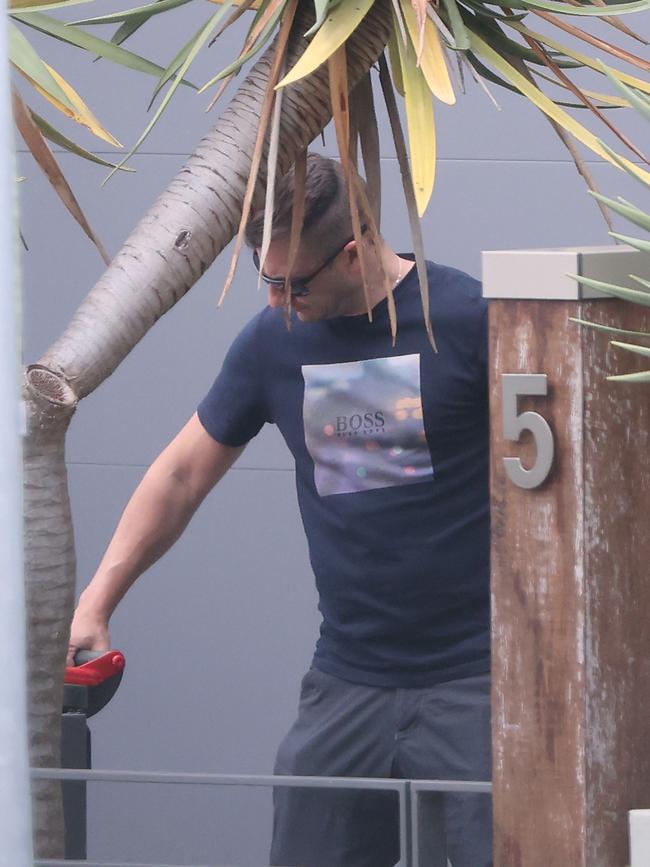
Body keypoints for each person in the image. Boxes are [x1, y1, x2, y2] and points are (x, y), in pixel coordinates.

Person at [68, 153, 492, 867]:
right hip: (347, 679)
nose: (273, 301)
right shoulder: (274, 343)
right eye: (265, 278)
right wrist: (96, 601)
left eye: (291, 285)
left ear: (354, 253)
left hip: (479, 681)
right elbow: (179, 475)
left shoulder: (469, 320)